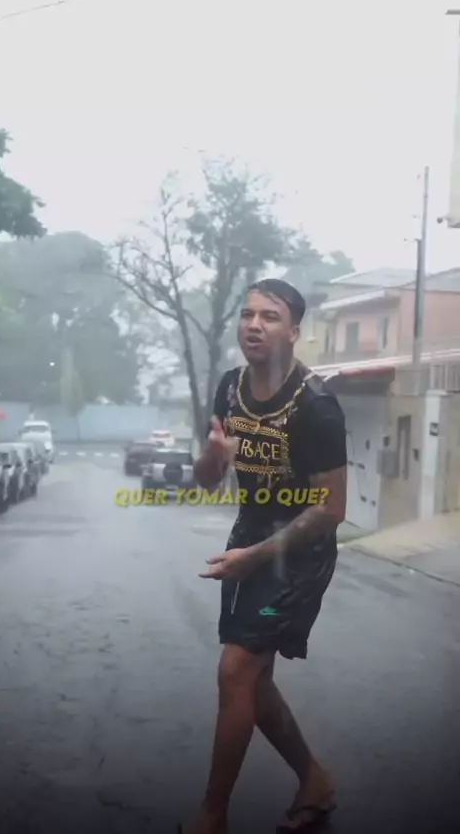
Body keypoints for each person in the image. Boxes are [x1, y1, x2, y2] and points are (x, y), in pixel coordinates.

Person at [180, 279, 347, 834]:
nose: (254, 325)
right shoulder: (230, 389)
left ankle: (212, 814)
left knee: (236, 670)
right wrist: (212, 458)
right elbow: (208, 481)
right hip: (249, 540)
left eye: (270, 316)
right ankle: (315, 780)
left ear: (294, 331)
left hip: (297, 561)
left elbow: (330, 509)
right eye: (248, 314)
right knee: (253, 680)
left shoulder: (317, 405)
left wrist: (255, 557)